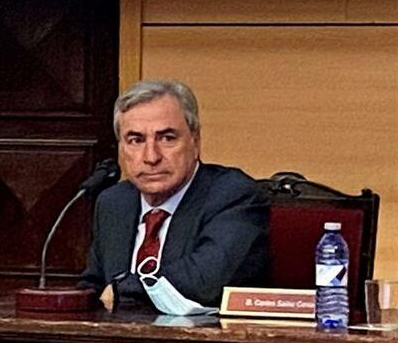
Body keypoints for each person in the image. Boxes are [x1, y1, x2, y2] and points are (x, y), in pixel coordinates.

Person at [79, 79, 269, 311]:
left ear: (195, 141)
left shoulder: (232, 195)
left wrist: (126, 289)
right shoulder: (114, 203)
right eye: (136, 140)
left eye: (167, 138)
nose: (151, 156)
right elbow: (94, 287)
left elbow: (206, 279)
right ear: (121, 148)